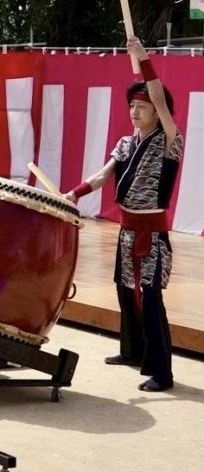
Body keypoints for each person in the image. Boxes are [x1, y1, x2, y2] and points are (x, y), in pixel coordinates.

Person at [63, 37, 181, 392]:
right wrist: (74, 194)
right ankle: (132, 352)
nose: (135, 112)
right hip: (127, 229)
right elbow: (102, 175)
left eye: (142, 108)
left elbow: (160, 99)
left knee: (151, 297)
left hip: (152, 233)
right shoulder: (126, 143)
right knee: (125, 291)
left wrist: (143, 58)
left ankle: (162, 372)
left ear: (156, 114)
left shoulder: (169, 140)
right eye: (132, 106)